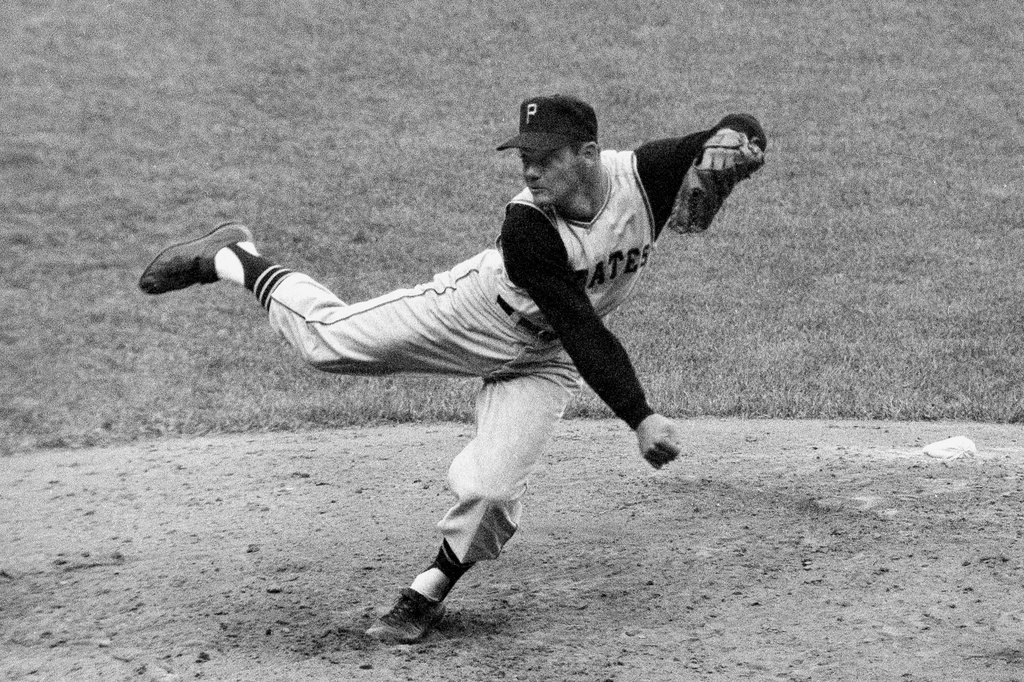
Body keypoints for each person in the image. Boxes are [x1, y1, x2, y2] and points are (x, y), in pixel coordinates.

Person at [139, 94, 767, 643]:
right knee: (324, 343)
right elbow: (581, 325)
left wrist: (735, 150)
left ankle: (425, 592)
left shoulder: (647, 175)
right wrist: (640, 415)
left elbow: (736, 128)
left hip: (542, 361)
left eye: (544, 156)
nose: (528, 168)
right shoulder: (527, 224)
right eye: (523, 154)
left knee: (492, 492)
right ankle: (234, 256)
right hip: (475, 314)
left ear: (588, 152)